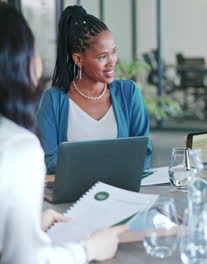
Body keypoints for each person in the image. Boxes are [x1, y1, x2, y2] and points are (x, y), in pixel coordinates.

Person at [0, 3, 128, 263]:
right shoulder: (16, 147)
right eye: (32, 46)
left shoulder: (127, 93)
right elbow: (26, 259)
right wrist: (88, 250)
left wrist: (30, 224)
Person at [37, 5, 152, 174]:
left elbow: (143, 153)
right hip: (72, 197)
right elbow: (50, 160)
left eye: (113, 52)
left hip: (121, 193)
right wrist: (106, 170)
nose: (112, 61)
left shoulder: (129, 93)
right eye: (102, 57)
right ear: (78, 59)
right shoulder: (53, 100)